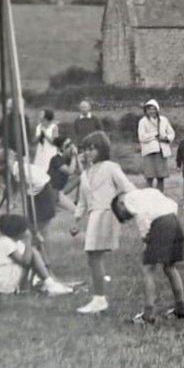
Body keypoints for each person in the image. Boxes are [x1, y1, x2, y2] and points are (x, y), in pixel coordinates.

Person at [70, 131, 137, 314]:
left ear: (102, 149)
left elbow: (127, 187)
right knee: (92, 257)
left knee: (93, 255)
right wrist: (76, 220)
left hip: (107, 214)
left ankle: (99, 299)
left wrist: (127, 207)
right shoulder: (85, 174)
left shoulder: (111, 167)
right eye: (86, 149)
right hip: (94, 216)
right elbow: (83, 201)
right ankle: (98, 297)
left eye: (93, 148)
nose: (89, 153)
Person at [111, 188, 184, 324]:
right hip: (174, 220)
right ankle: (180, 308)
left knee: (148, 269)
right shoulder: (149, 192)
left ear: (120, 203)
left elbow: (141, 216)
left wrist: (145, 236)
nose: (127, 216)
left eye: (123, 214)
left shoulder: (129, 199)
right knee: (169, 267)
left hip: (161, 224)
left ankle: (148, 314)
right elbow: (171, 204)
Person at [0, 214, 70, 295]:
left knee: (33, 252)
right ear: (19, 232)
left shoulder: (15, 243)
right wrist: (28, 240)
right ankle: (50, 284)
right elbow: (25, 261)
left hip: (8, 279)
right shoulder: (5, 242)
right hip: (3, 284)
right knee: (33, 252)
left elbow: (28, 256)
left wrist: (38, 243)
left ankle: (47, 283)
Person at [138, 99, 175, 191]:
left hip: (161, 152)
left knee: (161, 177)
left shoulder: (164, 120)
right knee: (149, 177)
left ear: (157, 109)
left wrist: (165, 138)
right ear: (146, 110)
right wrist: (154, 135)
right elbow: (142, 137)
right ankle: (148, 199)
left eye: (153, 108)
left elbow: (171, 133)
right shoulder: (143, 121)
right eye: (149, 109)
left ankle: (160, 198)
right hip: (149, 152)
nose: (151, 111)